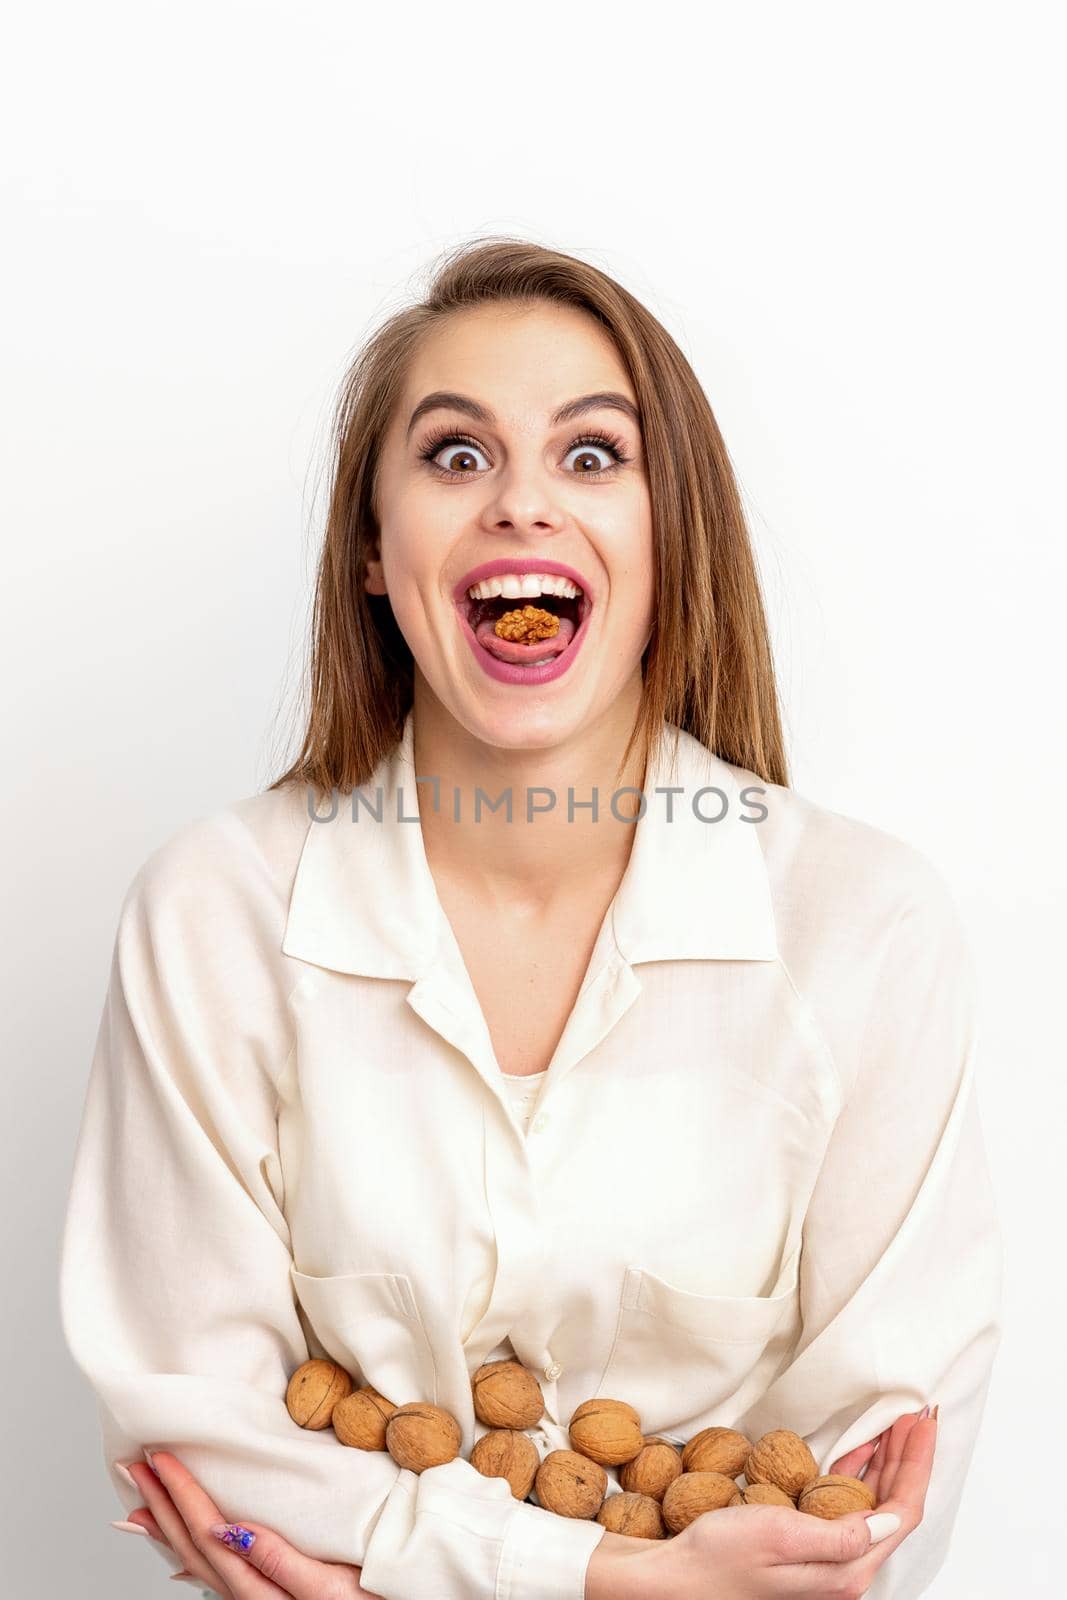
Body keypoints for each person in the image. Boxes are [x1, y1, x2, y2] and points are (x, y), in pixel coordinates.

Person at [58, 238, 1003, 1600]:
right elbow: (191, 1424)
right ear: (373, 555)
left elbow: (862, 1510)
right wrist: (624, 1575)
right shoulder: (216, 915)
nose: (519, 508)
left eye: (592, 455)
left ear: (673, 534)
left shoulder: (865, 926)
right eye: (455, 456)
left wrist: (392, 1562)